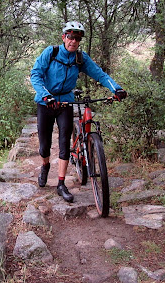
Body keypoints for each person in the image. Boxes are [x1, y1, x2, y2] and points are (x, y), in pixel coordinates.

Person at [30, 21, 127, 203]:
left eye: (77, 38)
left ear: (79, 41)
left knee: (64, 141)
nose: (73, 41)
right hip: (46, 103)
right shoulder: (51, 53)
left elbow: (100, 74)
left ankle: (61, 183)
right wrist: (45, 95)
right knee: (44, 145)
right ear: (64, 37)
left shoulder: (80, 58)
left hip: (65, 103)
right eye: (70, 37)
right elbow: (35, 75)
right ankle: (45, 166)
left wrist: (116, 89)